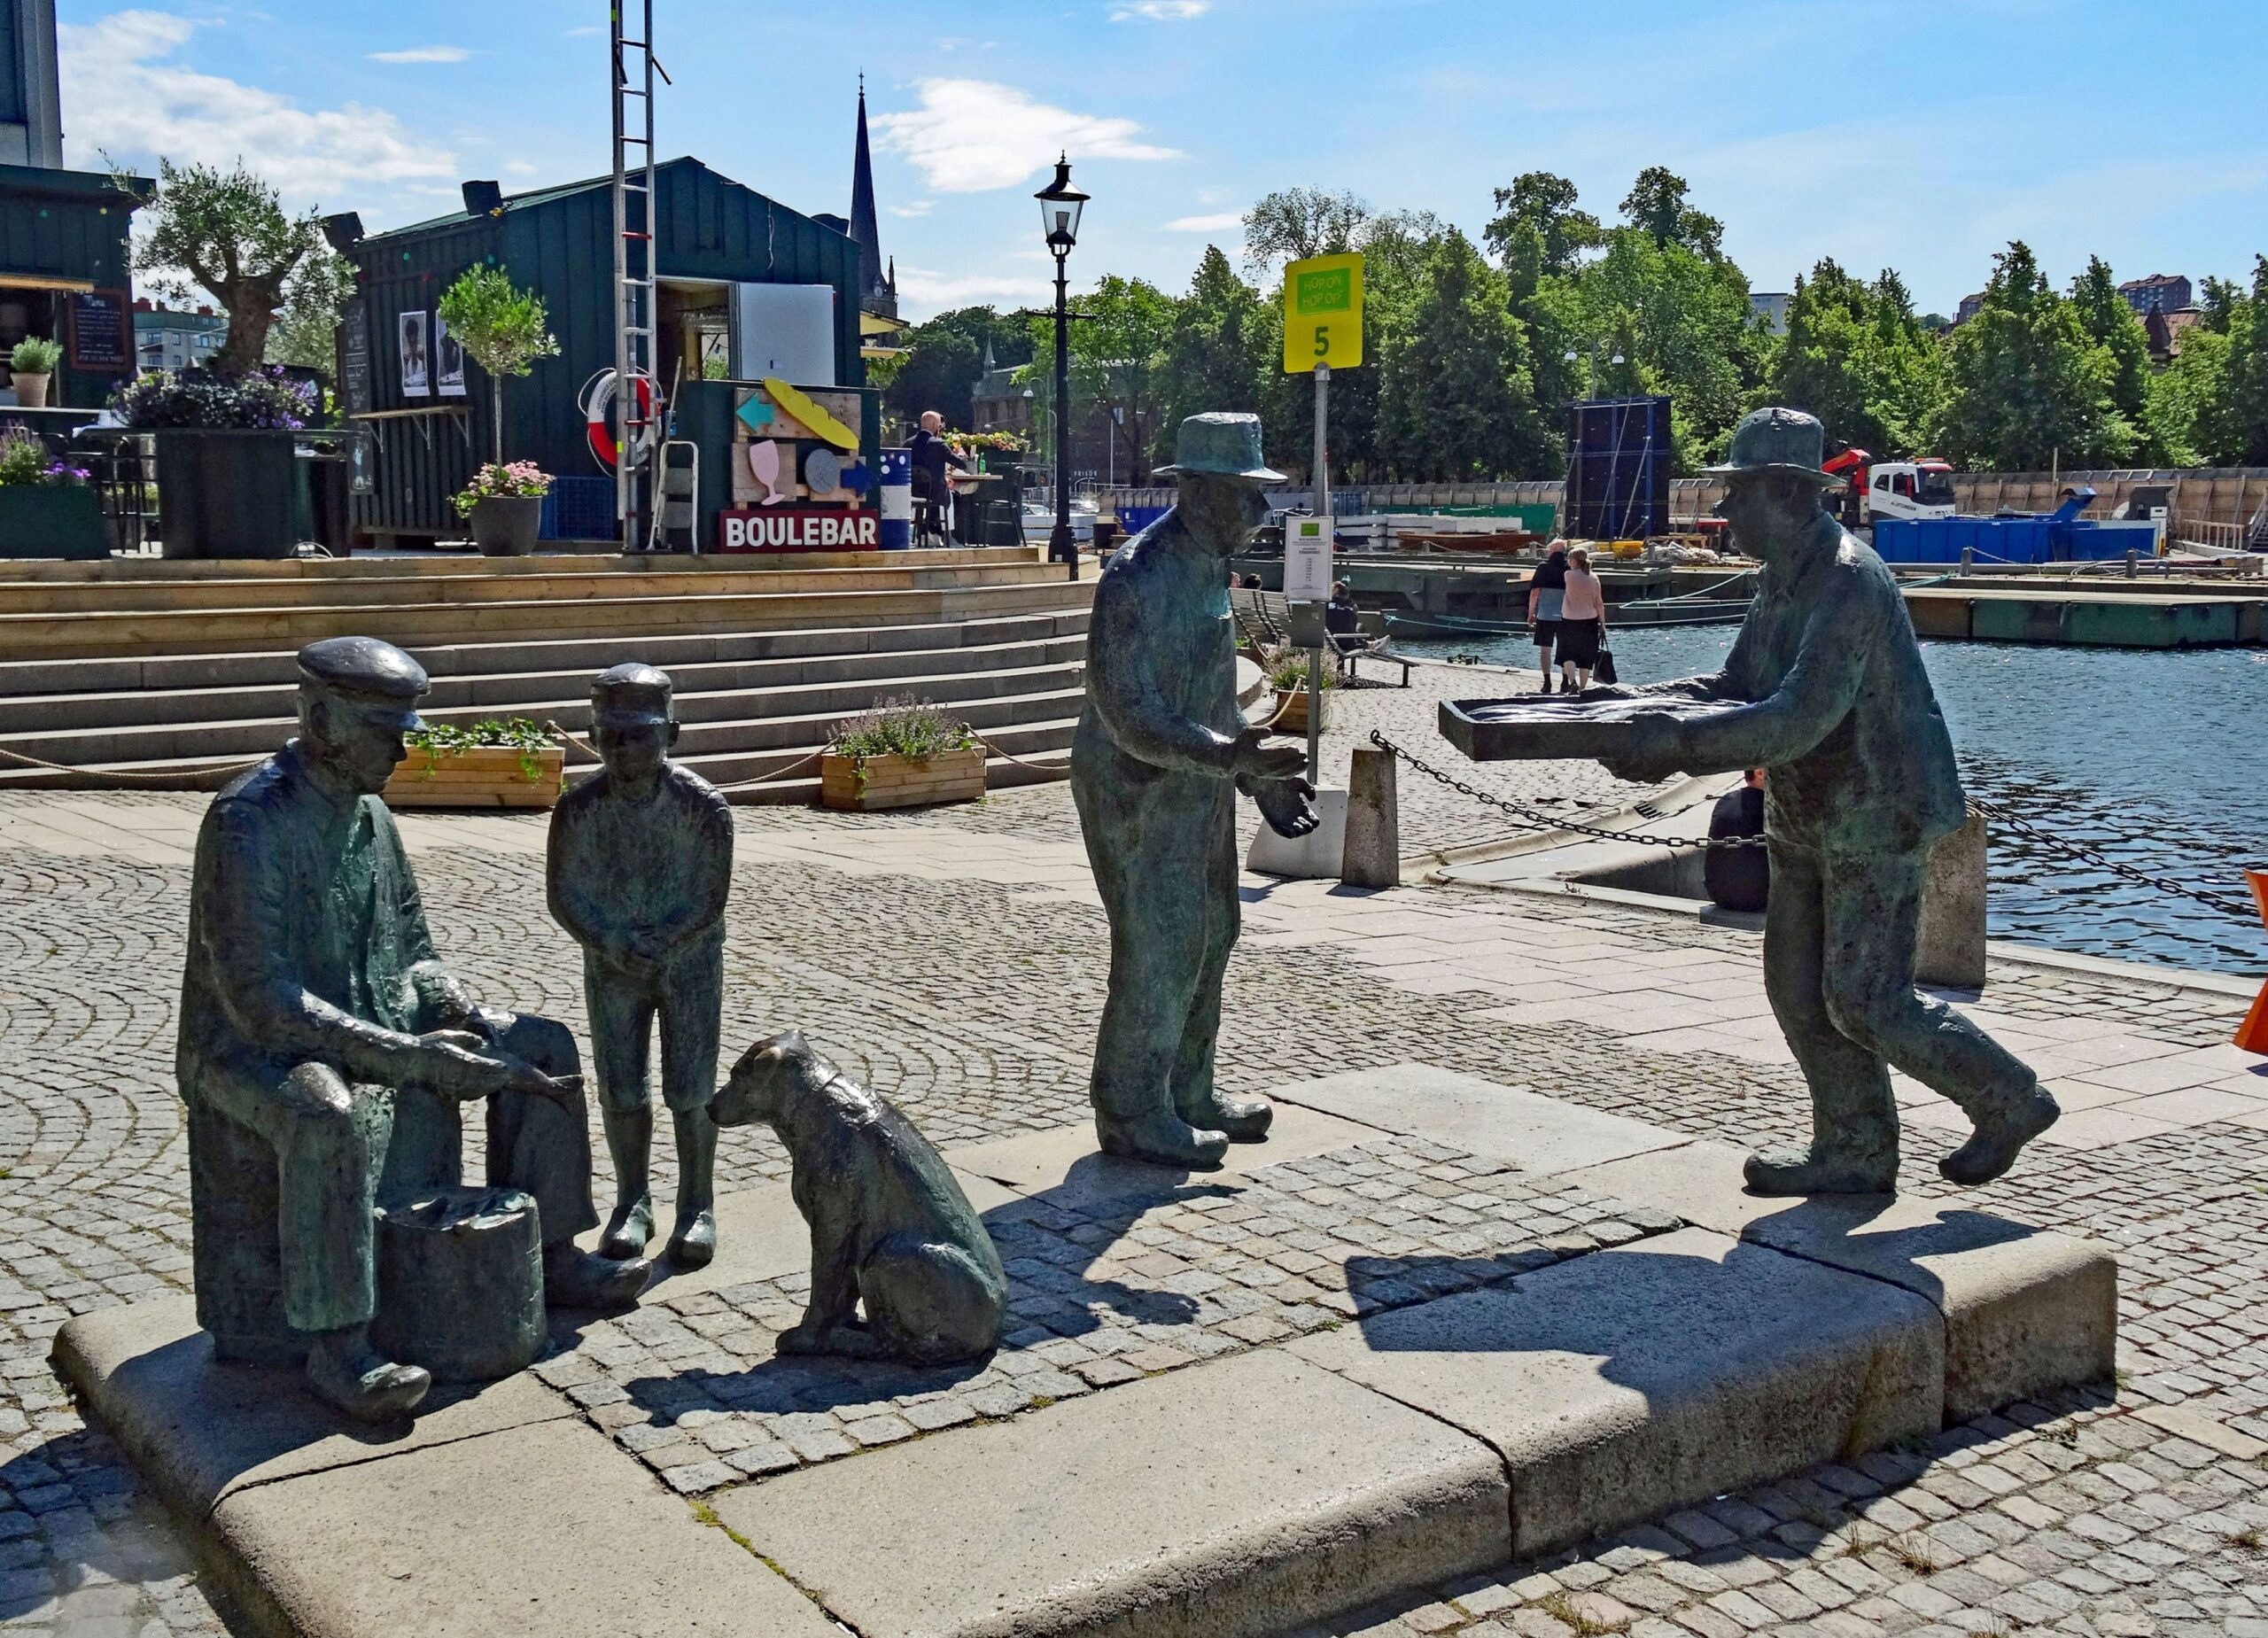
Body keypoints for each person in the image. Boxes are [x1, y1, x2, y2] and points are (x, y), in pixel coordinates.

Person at [178, 638, 649, 1421]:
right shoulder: (247, 823)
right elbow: (264, 1004)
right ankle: (339, 1343)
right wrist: (410, 1057)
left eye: (405, 731)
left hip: (370, 1023)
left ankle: (554, 1252)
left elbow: (417, 951)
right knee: (323, 1111)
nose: (402, 751)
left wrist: (464, 1013)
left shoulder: (371, 814)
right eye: (384, 731)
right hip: (250, 1053)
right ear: (321, 720)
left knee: (540, 1043)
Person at [1590, 408, 2057, 1195]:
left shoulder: (1848, 579)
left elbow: (1797, 715)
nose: (1724, 508)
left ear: (1785, 491)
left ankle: (2008, 1097)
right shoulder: (1782, 573)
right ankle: (1855, 1148)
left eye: (1738, 491)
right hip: (1806, 806)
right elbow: (1738, 683)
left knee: (1866, 997)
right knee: (1797, 987)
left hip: (1877, 808)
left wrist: (1675, 745)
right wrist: (1633, 705)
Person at [1072, 413, 1317, 1168]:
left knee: (1215, 927)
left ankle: (1188, 1090)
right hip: (1136, 788)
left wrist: (1256, 775)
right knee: (1162, 940)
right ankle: (1130, 1108)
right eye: (1248, 494)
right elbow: (1129, 714)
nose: (1263, 510)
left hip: (1198, 779)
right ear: (1202, 491)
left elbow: (1210, 692)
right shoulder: (1134, 580)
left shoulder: (1209, 565)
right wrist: (1231, 757)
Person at [548, 664, 734, 1269]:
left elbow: (710, 896)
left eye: (639, 734)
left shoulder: (704, 807)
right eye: (611, 735)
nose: (623, 748)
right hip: (612, 966)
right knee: (621, 1085)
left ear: (671, 734)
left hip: (689, 966)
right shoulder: (577, 810)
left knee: (692, 1085)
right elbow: (564, 893)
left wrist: (666, 939)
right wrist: (608, 939)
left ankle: (697, 1204)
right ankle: (633, 1201)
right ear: (593, 736)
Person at [1704, 769, 1770, 912]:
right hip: (1760, 897)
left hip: (1719, 895)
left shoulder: (1726, 800)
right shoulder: (1772, 806)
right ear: (1759, 773)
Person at [907, 411, 968, 542]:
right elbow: (961, 464)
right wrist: (961, 454)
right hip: (935, 492)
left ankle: (925, 531)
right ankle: (946, 535)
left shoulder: (908, 443)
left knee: (938, 495)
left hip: (913, 491)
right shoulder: (938, 444)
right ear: (936, 425)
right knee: (956, 497)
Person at [1556, 546, 1607, 694]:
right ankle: (1583, 688)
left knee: (1567, 652)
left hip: (1569, 619)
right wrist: (1603, 623)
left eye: (1569, 559)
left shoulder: (1568, 575)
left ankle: (1572, 682)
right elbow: (1599, 603)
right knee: (1586, 655)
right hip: (1590, 620)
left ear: (1574, 561)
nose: (1568, 561)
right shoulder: (1594, 578)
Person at [1526, 541, 1569, 693]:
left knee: (1545, 650)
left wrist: (1531, 613)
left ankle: (1547, 682)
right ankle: (1565, 681)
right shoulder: (1569, 568)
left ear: (1554, 550)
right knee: (1565, 649)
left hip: (1545, 614)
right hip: (1566, 615)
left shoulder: (1543, 567)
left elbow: (1535, 592)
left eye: (1550, 548)